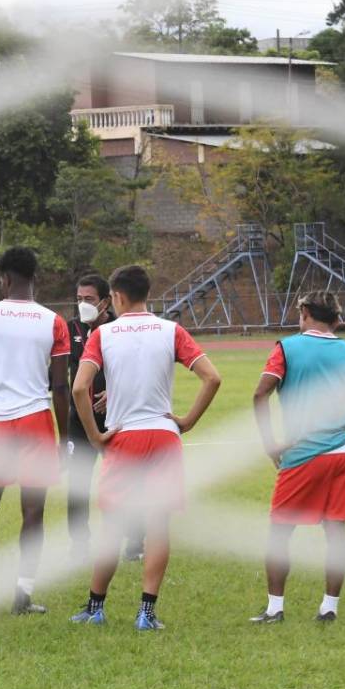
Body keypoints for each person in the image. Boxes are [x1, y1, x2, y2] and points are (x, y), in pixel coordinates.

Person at [69, 265, 221, 631]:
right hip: (162, 435)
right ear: (146, 293)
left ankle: (96, 607)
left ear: (116, 297)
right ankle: (146, 613)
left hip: (124, 437)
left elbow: (78, 389)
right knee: (157, 526)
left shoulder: (103, 334)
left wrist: (94, 436)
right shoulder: (171, 331)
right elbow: (212, 378)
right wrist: (186, 421)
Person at [250, 292, 345, 623]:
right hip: (343, 454)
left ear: (305, 313)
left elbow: (260, 393)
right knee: (336, 532)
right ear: (336, 320)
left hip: (303, 454)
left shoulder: (286, 348)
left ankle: (275, 609)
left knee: (280, 533)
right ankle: (329, 607)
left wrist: (271, 443)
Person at [0, 246, 70, 614]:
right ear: (34, 277)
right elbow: (60, 387)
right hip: (36, 421)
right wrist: (65, 437)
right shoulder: (54, 322)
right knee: (33, 513)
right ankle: (22, 597)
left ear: (4, 278)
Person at [65, 273, 140, 561]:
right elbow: (60, 376)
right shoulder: (69, 329)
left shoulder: (120, 330)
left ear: (106, 301)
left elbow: (137, 368)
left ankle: (134, 541)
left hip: (116, 418)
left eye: (89, 300)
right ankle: (80, 544)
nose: (83, 304)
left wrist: (114, 391)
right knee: (78, 483)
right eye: (80, 299)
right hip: (79, 421)